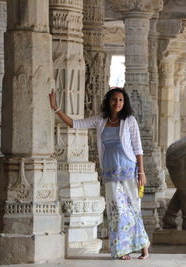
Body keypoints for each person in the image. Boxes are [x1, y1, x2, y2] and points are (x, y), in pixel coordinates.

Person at [49, 88, 150, 260]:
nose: (117, 103)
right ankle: (122, 249)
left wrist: (141, 171)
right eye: (114, 99)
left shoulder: (129, 121)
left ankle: (144, 248)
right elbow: (75, 124)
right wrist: (56, 108)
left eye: (120, 100)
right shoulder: (101, 120)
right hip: (111, 173)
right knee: (116, 211)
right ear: (108, 101)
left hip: (128, 171)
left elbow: (138, 148)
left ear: (124, 103)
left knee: (133, 209)